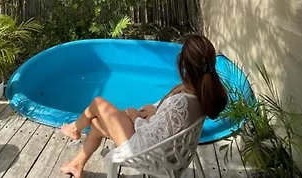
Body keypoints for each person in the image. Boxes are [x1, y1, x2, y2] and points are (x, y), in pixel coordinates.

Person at [60, 34, 228, 178]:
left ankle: (74, 128)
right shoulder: (202, 93)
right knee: (97, 123)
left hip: (149, 153)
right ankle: (77, 164)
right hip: (172, 152)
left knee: (98, 103)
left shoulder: (182, 101)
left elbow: (150, 136)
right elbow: (170, 124)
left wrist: (135, 117)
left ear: (183, 64)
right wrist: (155, 112)